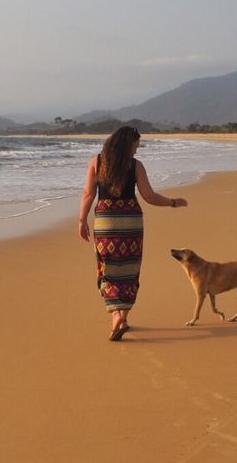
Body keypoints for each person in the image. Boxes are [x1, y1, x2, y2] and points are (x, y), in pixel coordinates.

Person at [79, 126, 187, 341]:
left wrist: (82, 220)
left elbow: (88, 193)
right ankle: (123, 316)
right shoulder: (136, 165)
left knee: (107, 268)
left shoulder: (97, 161)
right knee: (129, 268)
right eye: (136, 144)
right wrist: (173, 203)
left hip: (106, 220)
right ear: (129, 143)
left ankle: (116, 315)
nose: (137, 149)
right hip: (131, 221)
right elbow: (149, 196)